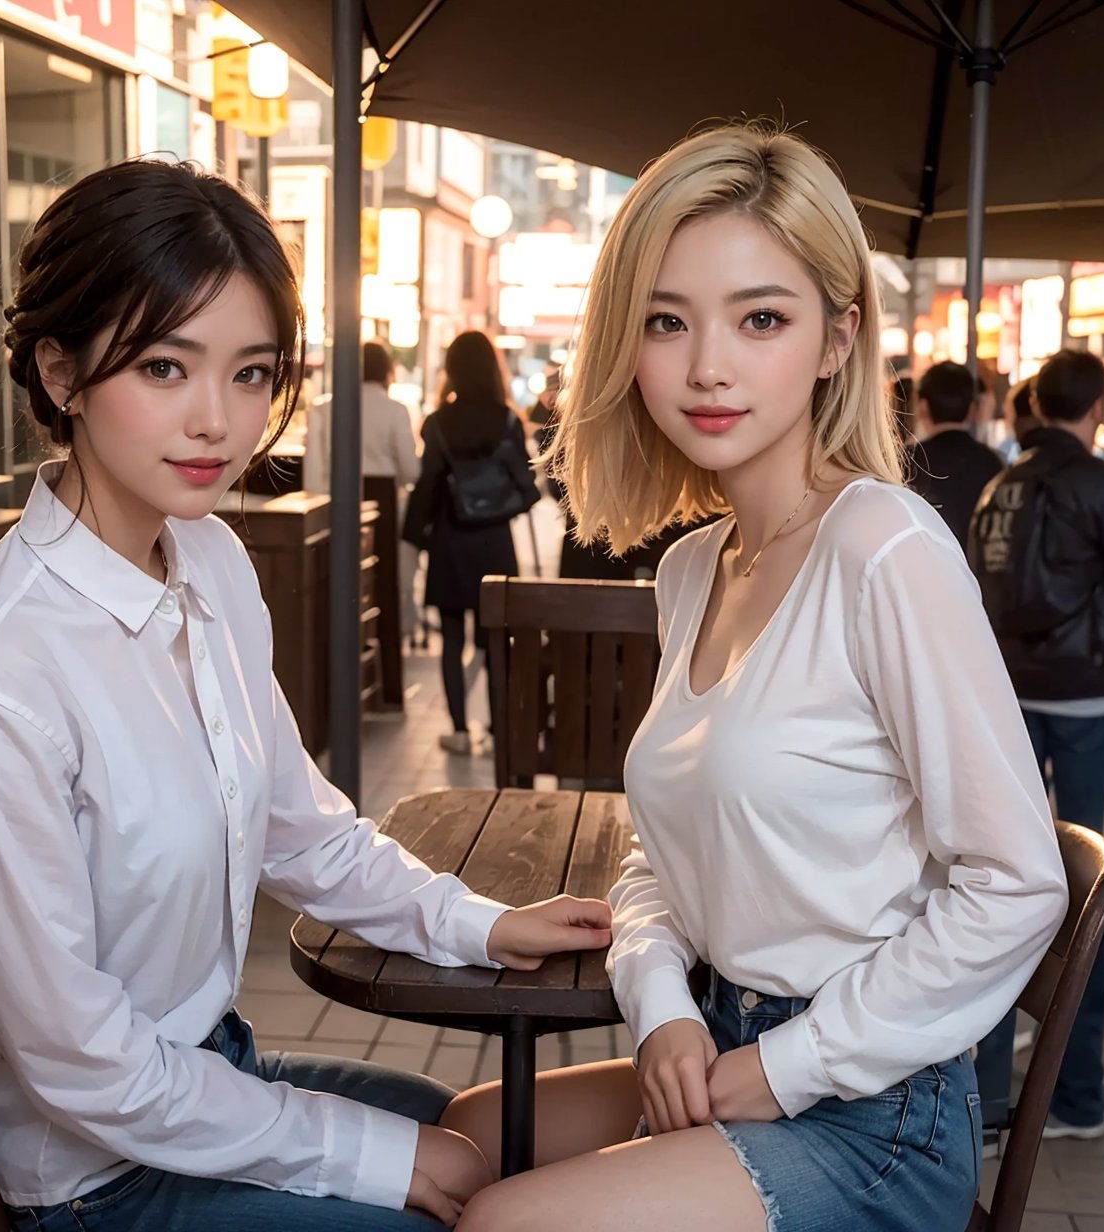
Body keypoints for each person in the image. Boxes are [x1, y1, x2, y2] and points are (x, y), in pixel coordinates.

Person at [0, 158, 614, 1232]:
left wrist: (479, 922)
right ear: (59, 371)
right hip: (97, 1178)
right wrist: (369, 1154)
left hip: (208, 1075)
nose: (217, 422)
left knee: (477, 1146)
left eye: (249, 373)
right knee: (455, 1192)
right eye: (165, 366)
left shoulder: (210, 560)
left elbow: (301, 826)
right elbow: (82, 1064)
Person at [439, 124, 1068, 1232]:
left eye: (759, 317)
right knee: (459, 1142)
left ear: (836, 337)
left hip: (872, 1103)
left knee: (503, 1217)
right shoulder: (692, 566)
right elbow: (654, 858)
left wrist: (783, 1066)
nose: (706, 365)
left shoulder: (885, 547)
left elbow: (1016, 883)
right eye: (664, 320)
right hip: (717, 1034)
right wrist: (659, 1005)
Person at [969, 347, 1104, 1141]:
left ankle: (990, 1091)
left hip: (1010, 698)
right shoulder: (1098, 481)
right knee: (1090, 890)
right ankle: (1080, 1091)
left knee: (1002, 877)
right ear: (1093, 408)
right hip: (1087, 701)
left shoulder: (1003, 483)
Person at [403, 331, 533, 755]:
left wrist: (412, 537)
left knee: (453, 639)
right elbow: (526, 485)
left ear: (453, 370)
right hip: (495, 543)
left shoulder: (438, 424)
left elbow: (427, 487)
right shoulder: (508, 421)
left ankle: (459, 730)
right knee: (496, 639)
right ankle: (497, 732)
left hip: (451, 541)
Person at [303, 337, 423, 638]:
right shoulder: (395, 410)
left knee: (339, 582)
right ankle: (388, 676)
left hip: (335, 497)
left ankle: (340, 661)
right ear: (386, 370)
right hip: (382, 499)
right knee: (384, 586)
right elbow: (411, 470)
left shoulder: (324, 408)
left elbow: (315, 470)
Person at [906, 361, 1003, 550]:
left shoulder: (907, 460)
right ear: (972, 409)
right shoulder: (992, 462)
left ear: (923, 406)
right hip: (977, 574)